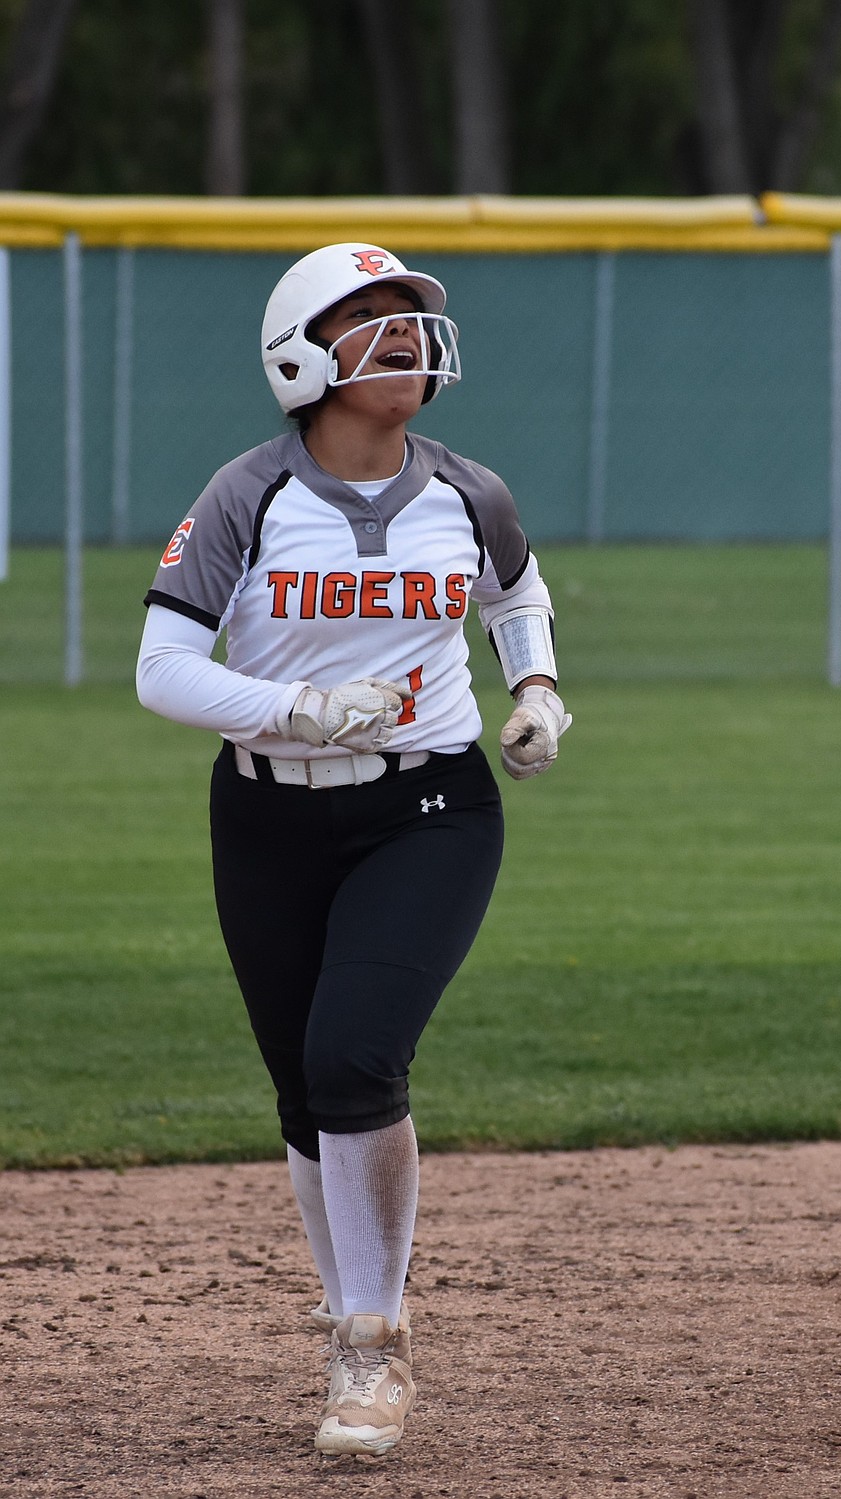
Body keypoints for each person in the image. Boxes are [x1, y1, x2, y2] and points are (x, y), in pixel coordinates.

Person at [136, 242, 571, 1458]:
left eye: (414, 317)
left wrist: (534, 688)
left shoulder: (469, 489)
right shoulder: (247, 494)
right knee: (303, 1087)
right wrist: (293, 712)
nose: (408, 339)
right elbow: (160, 670)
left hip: (427, 805)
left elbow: (514, 590)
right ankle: (347, 1315)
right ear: (300, 353)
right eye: (373, 319)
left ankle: (371, 1350)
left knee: (356, 1053)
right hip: (267, 814)